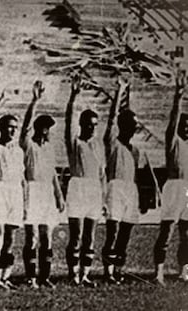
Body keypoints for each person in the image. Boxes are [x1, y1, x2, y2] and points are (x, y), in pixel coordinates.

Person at [102, 77, 150, 284]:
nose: (134, 128)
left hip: (131, 189)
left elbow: (140, 176)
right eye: (131, 124)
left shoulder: (137, 150)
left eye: (136, 125)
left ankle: (119, 269)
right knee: (112, 230)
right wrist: (119, 91)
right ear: (123, 125)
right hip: (115, 187)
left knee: (126, 232)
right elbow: (111, 118)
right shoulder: (112, 143)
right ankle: (108, 271)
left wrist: (143, 198)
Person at [20, 81, 65, 289]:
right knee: (32, 237)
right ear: (40, 129)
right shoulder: (28, 145)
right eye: (46, 127)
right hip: (32, 190)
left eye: (49, 128)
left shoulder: (49, 147)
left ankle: (44, 276)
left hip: (47, 191)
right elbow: (25, 126)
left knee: (47, 237)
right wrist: (35, 101)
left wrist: (59, 195)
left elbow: (53, 173)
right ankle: (30, 277)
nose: (48, 131)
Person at [64, 74, 105, 287]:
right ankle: (73, 274)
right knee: (77, 234)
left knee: (90, 235)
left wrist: (104, 197)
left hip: (94, 189)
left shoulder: (98, 145)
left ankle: (85, 274)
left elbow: (102, 173)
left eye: (95, 125)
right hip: (78, 186)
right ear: (81, 125)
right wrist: (73, 97)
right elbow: (68, 120)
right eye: (89, 124)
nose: (92, 128)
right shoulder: (74, 142)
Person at [0, 88, 24, 290]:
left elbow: (22, 177)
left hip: (15, 191)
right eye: (8, 127)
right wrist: (2, 99)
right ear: (1, 128)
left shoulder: (18, 150)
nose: (12, 131)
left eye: (14, 128)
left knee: (11, 236)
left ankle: (6, 276)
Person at [153, 70, 188, 286]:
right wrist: (179, 96)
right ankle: (159, 272)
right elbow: (173, 121)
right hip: (174, 187)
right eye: (183, 126)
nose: (186, 129)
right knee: (167, 231)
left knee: (187, 233)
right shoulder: (173, 142)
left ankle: (184, 270)